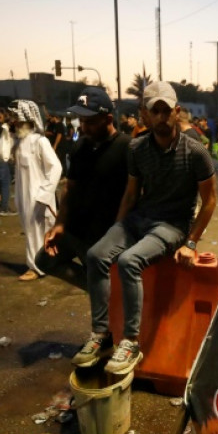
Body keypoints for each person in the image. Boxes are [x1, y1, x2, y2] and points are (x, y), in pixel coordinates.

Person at [73, 81, 217, 374]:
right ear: (144, 114)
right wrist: (117, 230)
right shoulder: (137, 148)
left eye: (167, 110)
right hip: (140, 219)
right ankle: (101, 335)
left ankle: (131, 342)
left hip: (173, 225)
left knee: (129, 261)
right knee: (96, 255)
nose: (162, 116)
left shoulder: (195, 152)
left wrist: (190, 243)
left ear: (177, 112)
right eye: (155, 111)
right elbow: (130, 193)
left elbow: (210, 202)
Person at [38, 87, 130, 287]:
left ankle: (104, 291)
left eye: (90, 122)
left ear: (107, 119)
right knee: (44, 260)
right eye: (81, 121)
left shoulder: (127, 147)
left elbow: (133, 196)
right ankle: (95, 288)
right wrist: (60, 224)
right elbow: (69, 188)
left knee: (107, 301)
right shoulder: (81, 146)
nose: (83, 128)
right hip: (76, 230)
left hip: (104, 236)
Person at [7, 100, 62, 282]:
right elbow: (1, 155)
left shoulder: (40, 141)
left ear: (28, 120)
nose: (15, 123)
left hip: (38, 195)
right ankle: (45, 263)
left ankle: (36, 267)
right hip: (23, 195)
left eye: (18, 119)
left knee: (36, 231)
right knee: (32, 231)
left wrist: (45, 194)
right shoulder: (18, 142)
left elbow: (55, 168)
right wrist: (5, 134)